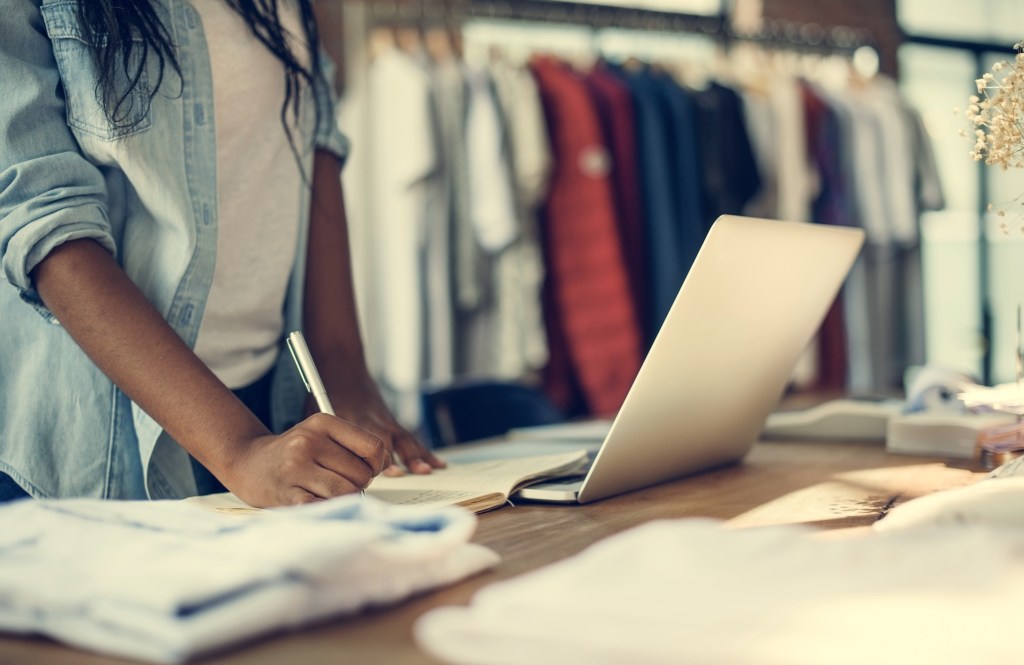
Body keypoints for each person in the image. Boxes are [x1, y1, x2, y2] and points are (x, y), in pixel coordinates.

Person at [0, 0, 445, 506]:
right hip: (102, 441)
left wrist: (346, 376)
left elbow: (315, 138)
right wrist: (239, 448)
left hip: (270, 411)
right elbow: (45, 219)